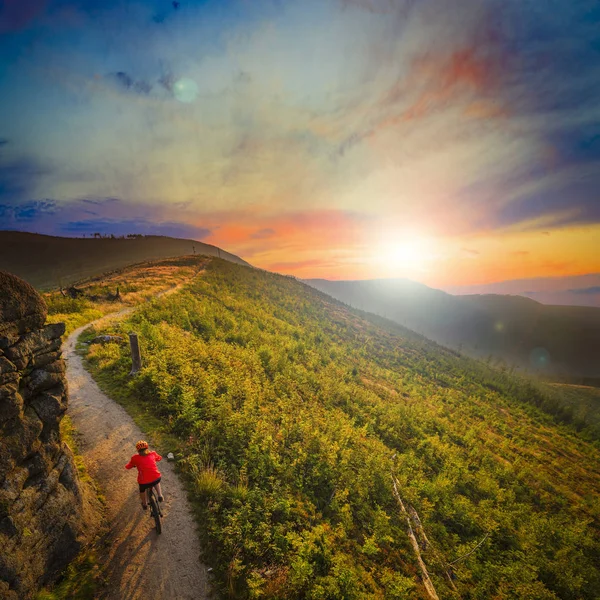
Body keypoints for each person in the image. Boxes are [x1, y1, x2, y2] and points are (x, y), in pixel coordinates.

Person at [125, 440, 164, 510]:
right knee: (155, 480)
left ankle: (145, 504)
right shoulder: (153, 454)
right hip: (157, 477)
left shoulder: (135, 458)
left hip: (144, 482)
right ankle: (160, 495)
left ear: (138, 450)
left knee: (142, 490)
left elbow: (128, 467)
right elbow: (159, 458)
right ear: (147, 448)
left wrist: (129, 466)